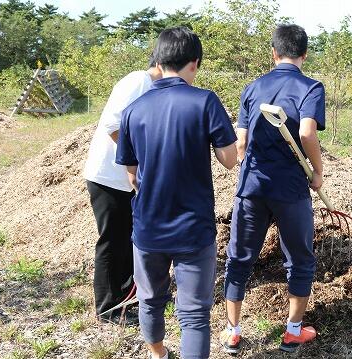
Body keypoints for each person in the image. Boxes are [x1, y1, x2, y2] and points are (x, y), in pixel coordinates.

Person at [116, 27, 237, 359]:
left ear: (159, 59)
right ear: (194, 63)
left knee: (151, 299)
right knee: (194, 314)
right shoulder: (205, 101)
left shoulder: (134, 110)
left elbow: (132, 176)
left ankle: (158, 353)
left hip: (148, 226)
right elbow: (229, 160)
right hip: (193, 228)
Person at [222, 24, 325, 354]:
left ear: (274, 53)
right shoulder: (310, 87)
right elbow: (307, 134)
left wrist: (248, 169)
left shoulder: (253, 87)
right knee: (299, 261)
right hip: (291, 189)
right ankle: (293, 331)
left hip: (252, 185)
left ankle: (233, 331)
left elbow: (240, 141)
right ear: (304, 54)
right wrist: (318, 173)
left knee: (239, 258)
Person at [83, 54, 162, 324]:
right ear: (163, 63)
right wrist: (137, 160)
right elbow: (112, 125)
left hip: (122, 179)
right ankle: (108, 308)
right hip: (108, 177)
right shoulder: (138, 80)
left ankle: (126, 297)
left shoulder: (150, 86)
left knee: (125, 239)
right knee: (112, 241)